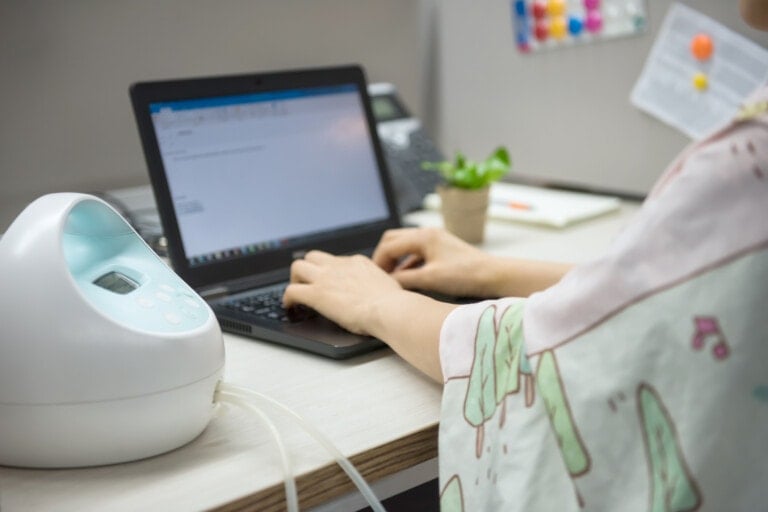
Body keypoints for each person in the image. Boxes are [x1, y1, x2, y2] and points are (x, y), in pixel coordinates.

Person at [284, 1, 768, 509]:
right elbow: (679, 293)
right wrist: (490, 271)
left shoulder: (752, 157)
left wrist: (378, 305)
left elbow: (545, 357)